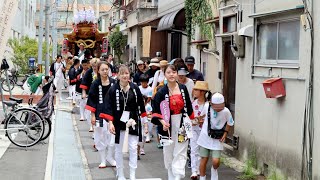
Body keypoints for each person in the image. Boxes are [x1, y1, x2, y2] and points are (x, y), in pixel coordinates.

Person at [100, 65, 148, 180]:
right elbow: (108, 107)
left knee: (132, 147)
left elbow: (141, 106)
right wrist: (110, 123)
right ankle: (120, 173)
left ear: (129, 74)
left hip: (133, 121)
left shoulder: (135, 88)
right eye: (122, 74)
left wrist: (145, 124)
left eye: (126, 73)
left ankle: (132, 174)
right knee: (119, 148)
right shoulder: (113, 89)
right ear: (118, 75)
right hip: (118, 121)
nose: (125, 76)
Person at [151, 64, 194, 180]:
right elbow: (156, 111)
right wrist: (162, 122)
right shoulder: (161, 92)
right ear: (164, 75)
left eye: (174, 72)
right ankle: (171, 175)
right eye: (169, 72)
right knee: (169, 151)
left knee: (181, 150)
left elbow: (189, 107)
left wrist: (192, 119)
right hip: (167, 125)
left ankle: (177, 176)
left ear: (177, 74)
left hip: (182, 123)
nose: (171, 75)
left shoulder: (183, 88)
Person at [86, 61, 117, 168]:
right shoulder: (95, 83)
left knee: (112, 138)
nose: (105, 71)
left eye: (106, 69)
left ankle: (110, 157)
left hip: (112, 114)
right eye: (102, 69)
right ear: (98, 71)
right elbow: (92, 100)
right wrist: (93, 115)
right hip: (99, 113)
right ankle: (103, 160)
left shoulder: (114, 83)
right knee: (100, 137)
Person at [197, 92, 234, 180]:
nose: (218, 109)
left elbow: (230, 123)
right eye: (216, 107)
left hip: (218, 138)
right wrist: (199, 120)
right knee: (203, 159)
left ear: (224, 104)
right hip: (205, 137)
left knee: (215, 161)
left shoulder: (226, 111)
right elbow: (201, 116)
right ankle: (202, 178)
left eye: (220, 107)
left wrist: (225, 134)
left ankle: (214, 169)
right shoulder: (206, 106)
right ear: (211, 103)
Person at [190, 81, 211, 179]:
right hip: (194, 129)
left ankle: (200, 169)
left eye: (196, 89)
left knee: (202, 151)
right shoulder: (192, 103)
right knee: (194, 149)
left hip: (204, 131)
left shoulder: (208, 105)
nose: (194, 91)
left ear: (202, 92)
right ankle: (194, 170)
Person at [81, 58, 100, 132]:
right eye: (93, 66)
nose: (94, 68)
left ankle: (96, 126)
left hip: (99, 94)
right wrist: (84, 92)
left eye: (96, 66)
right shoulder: (89, 72)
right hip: (91, 94)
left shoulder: (100, 72)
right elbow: (84, 82)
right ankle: (91, 126)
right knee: (89, 111)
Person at [137, 74, 152, 158]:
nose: (143, 84)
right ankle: (139, 149)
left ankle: (147, 136)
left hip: (146, 106)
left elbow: (149, 98)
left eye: (145, 82)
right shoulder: (139, 88)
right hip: (140, 106)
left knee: (147, 125)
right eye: (142, 82)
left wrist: (145, 103)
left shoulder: (150, 89)